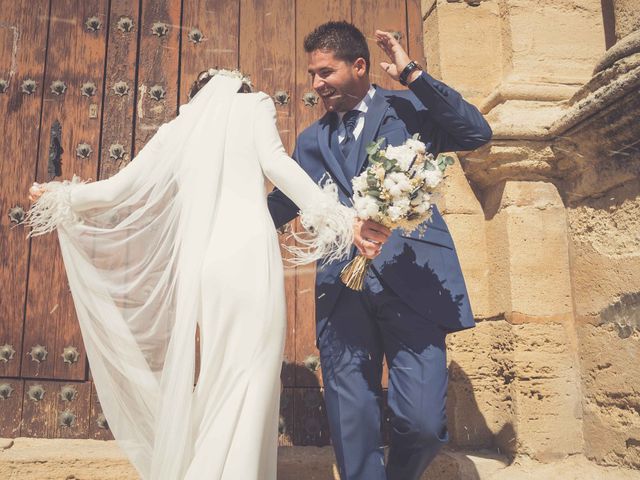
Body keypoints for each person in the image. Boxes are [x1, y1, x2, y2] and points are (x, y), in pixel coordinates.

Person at [26, 70, 354, 480]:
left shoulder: (178, 129)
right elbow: (276, 164)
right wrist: (336, 216)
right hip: (249, 255)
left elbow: (115, 190)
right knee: (253, 371)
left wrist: (62, 194)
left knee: (219, 371)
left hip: (207, 263)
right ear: (240, 87)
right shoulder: (254, 105)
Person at [267, 22, 492, 480]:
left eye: (325, 72)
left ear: (360, 66)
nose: (315, 85)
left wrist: (411, 73)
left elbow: (475, 133)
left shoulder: (409, 109)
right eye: (312, 74)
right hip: (340, 290)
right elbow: (282, 203)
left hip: (413, 281)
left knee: (424, 424)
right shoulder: (311, 141)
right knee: (352, 427)